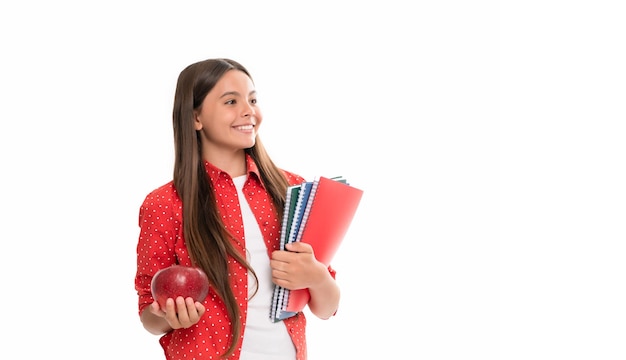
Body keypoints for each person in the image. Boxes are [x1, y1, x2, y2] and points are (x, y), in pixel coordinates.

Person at [134, 58, 340, 360]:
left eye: (252, 99)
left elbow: (328, 307)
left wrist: (317, 277)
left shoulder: (292, 191)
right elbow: (148, 316)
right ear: (195, 118)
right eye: (231, 101)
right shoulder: (165, 203)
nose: (249, 111)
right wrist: (170, 316)